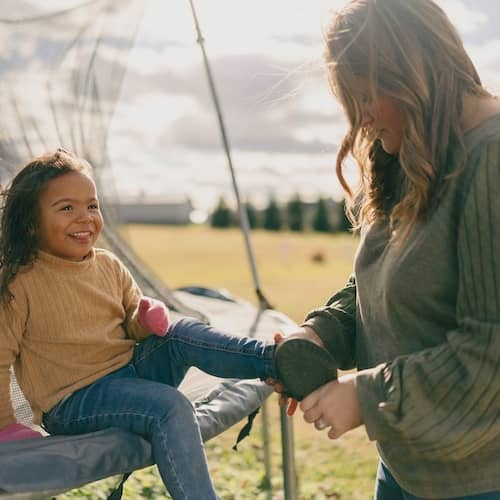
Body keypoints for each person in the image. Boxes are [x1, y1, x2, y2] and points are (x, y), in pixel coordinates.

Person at [273, 0, 500, 498]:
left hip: (475, 481)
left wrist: (365, 396)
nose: (362, 119)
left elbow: (491, 355)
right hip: (402, 467)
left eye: (366, 96)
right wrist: (321, 334)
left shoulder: (492, 158)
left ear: (412, 71)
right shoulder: (414, 150)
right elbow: (382, 284)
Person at [0, 149, 280, 500]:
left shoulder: (108, 265)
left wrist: (143, 318)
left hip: (129, 372)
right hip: (73, 403)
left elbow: (131, 322)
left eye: (92, 205)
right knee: (170, 406)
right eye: (67, 208)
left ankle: (275, 359)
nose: (85, 217)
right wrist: (6, 425)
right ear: (31, 222)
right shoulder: (19, 283)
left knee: (181, 333)